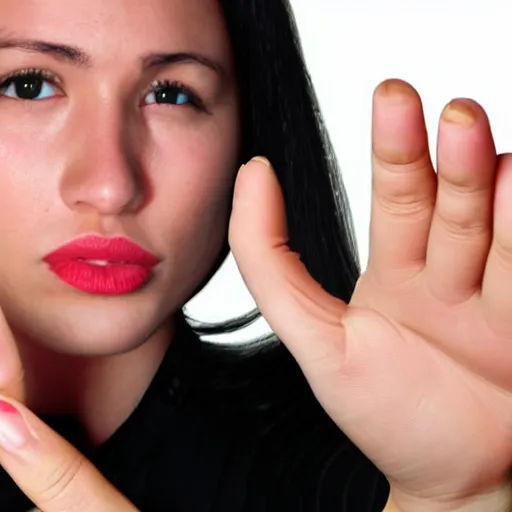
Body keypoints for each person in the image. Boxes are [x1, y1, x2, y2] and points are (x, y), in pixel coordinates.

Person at [0, 0, 510, 511]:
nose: (111, 187)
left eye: (170, 94)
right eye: (28, 86)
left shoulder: (370, 469)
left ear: (249, 133)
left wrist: (460, 500)